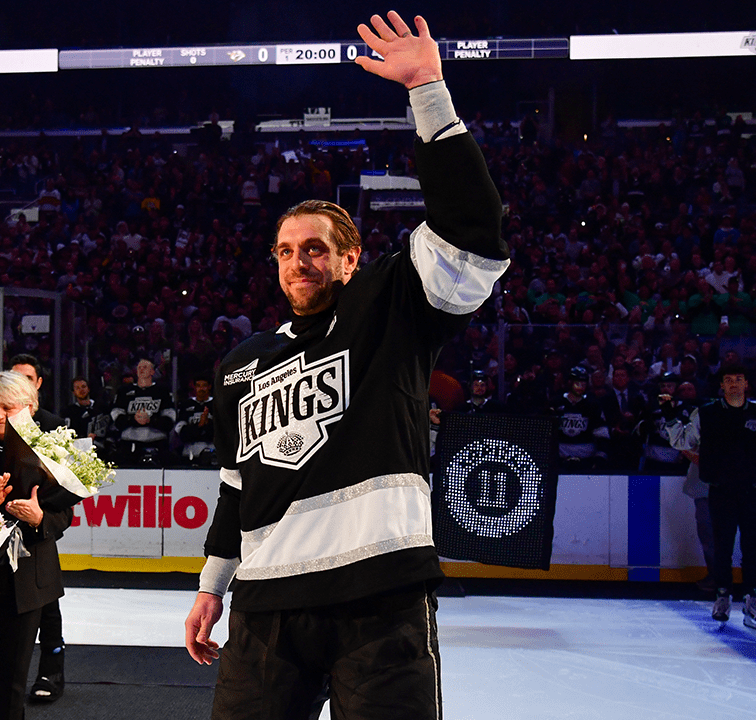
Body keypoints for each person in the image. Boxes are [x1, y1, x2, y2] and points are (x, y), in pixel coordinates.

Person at [183, 12, 509, 719]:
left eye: (317, 248)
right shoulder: (241, 363)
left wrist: (427, 89)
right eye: (286, 250)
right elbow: (237, 489)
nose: (300, 261)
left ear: (351, 258)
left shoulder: (392, 307)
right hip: (268, 606)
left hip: (380, 596)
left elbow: (473, 235)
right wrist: (212, 585)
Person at [0, 372, 72, 715]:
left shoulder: (52, 452)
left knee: (12, 682)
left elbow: (63, 516)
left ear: (30, 410)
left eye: (7, 407)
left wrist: (40, 518)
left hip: (27, 580)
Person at [663, 363, 756, 630]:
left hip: (753, 490)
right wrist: (671, 417)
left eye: (739, 379)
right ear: (721, 385)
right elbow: (683, 441)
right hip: (720, 490)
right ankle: (722, 596)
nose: (733, 383)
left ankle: (752, 599)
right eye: (728, 379)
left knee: (753, 547)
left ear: (746, 384)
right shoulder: (706, 413)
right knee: (722, 546)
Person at [110, 359, 175, 466]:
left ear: (152, 372)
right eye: (139, 367)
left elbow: (169, 420)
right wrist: (133, 419)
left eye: (145, 367)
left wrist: (150, 420)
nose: (141, 369)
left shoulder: (163, 391)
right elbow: (117, 420)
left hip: (157, 443)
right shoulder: (124, 391)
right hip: (129, 444)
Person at [174, 376, 215, 465]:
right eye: (198, 385)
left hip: (212, 452)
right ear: (194, 387)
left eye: (204, 385)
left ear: (209, 387)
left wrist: (207, 424)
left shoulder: (216, 404)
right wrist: (200, 426)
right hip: (189, 452)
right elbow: (182, 433)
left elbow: (220, 432)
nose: (201, 389)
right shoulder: (185, 405)